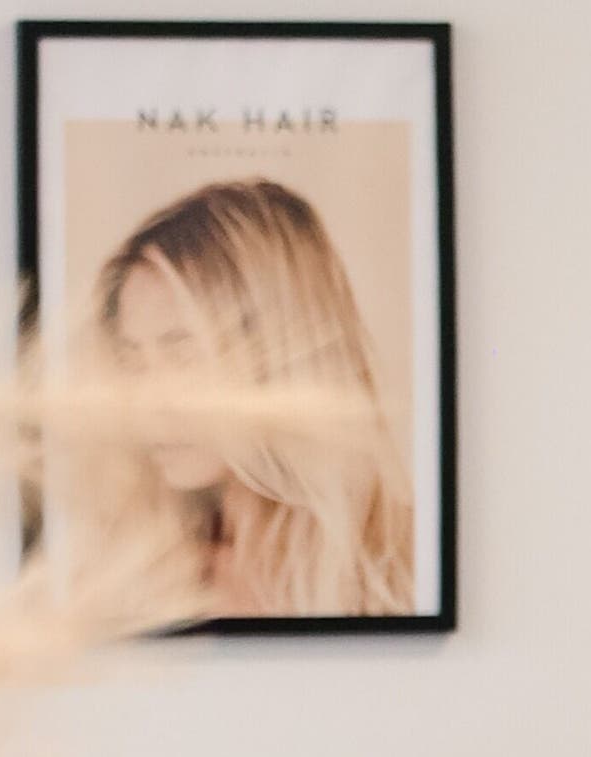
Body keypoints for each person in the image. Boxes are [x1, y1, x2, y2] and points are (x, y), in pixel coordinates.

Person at [84, 177, 414, 621]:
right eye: (133, 362)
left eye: (183, 354)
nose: (146, 402)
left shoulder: (406, 566)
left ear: (281, 354)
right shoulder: (126, 568)